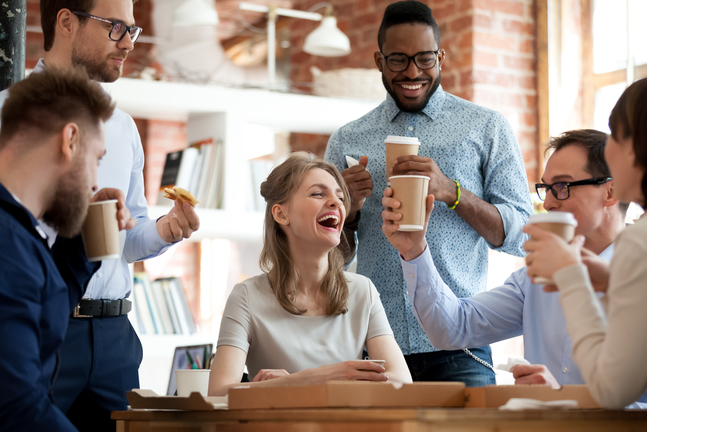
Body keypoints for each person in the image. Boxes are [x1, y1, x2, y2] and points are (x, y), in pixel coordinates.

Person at [0, 1, 200, 429]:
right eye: (115, 28)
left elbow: (125, 243)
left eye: (133, 30)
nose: (128, 43)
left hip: (114, 333)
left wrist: (163, 230)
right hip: (39, 325)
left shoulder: (123, 127)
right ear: (67, 21)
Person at [324, 0, 532, 386]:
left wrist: (452, 192)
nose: (413, 72)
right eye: (398, 60)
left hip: (462, 348)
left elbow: (522, 237)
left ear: (441, 56)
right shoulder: (347, 140)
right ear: (379, 61)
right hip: (376, 347)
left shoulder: (486, 127)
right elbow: (329, 257)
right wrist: (348, 215)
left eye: (425, 58)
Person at [380, 128, 646, 407]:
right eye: (546, 188)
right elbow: (452, 327)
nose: (549, 203)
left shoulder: (646, 276)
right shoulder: (535, 278)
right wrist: (413, 249)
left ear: (611, 191)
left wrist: (568, 400)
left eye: (562, 186)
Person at [208, 153, 412, 396]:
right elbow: (219, 394)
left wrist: (294, 382)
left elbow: (401, 385)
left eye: (339, 195)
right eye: (318, 193)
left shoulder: (362, 291)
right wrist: (315, 378)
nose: (336, 202)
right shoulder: (246, 296)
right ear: (281, 214)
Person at [0, 67, 131, 431]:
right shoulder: (5, 243)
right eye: (97, 159)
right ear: (70, 140)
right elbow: (16, 406)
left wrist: (87, 229)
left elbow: (49, 305)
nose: (94, 181)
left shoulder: (22, 235)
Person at [523, 78, 647, 409]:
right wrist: (614, 281)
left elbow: (612, 389)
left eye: (618, 137)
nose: (548, 202)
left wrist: (571, 277)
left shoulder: (640, 243)